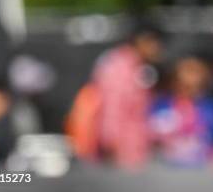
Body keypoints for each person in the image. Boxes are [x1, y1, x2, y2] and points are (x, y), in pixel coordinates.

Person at [66, 25, 164, 169]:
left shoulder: (138, 67)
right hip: (118, 154)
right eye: (156, 43)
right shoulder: (118, 67)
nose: (158, 49)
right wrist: (111, 143)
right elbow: (112, 108)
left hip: (134, 152)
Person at [149, 56, 213, 167]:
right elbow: (149, 138)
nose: (189, 92)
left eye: (197, 86)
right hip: (163, 170)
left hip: (205, 172)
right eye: (184, 86)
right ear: (174, 82)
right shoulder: (161, 106)